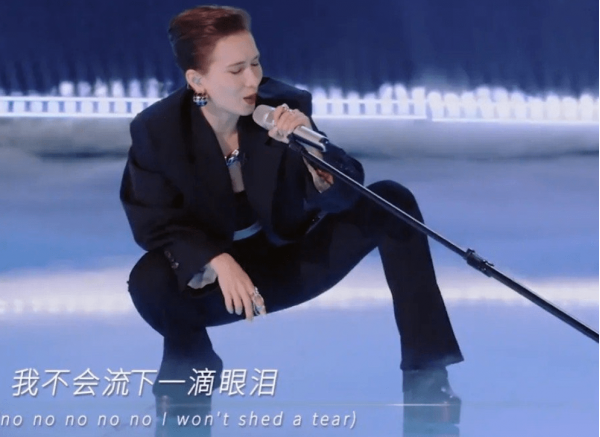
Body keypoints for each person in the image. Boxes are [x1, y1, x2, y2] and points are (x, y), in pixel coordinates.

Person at [120, 5, 464, 421]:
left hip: (293, 261)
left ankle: (428, 373)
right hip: (222, 285)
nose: (252, 80)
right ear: (198, 81)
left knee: (393, 200)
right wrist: (215, 259)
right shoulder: (158, 131)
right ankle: (190, 364)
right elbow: (151, 220)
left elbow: (346, 191)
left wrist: (314, 154)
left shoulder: (284, 104)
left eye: (255, 63)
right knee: (149, 280)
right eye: (236, 71)